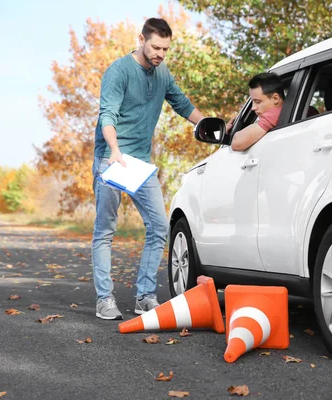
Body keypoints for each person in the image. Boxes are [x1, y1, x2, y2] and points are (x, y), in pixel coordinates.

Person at [92, 18, 205, 320]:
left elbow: (181, 103)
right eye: (156, 47)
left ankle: (144, 297)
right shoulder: (118, 72)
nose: (160, 54)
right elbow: (108, 115)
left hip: (140, 162)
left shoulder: (162, 72)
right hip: (112, 159)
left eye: (165, 49)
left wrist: (208, 125)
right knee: (105, 231)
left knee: (159, 226)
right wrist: (115, 150)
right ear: (141, 39)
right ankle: (104, 299)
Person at [229, 73, 284, 151]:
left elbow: (237, 143)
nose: (253, 108)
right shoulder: (285, 111)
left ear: (275, 98)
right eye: (252, 102)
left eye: (257, 101)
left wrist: (234, 133)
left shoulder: (273, 115)